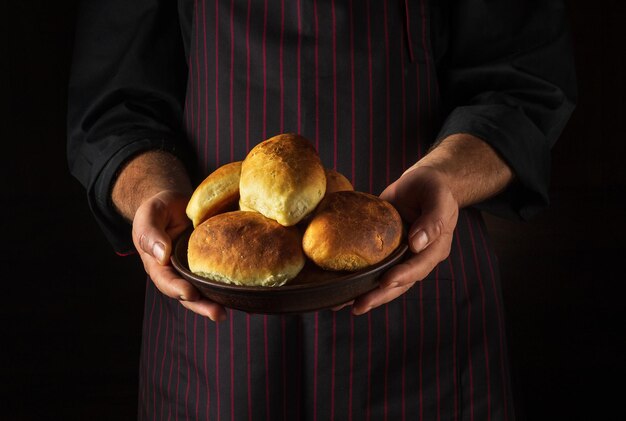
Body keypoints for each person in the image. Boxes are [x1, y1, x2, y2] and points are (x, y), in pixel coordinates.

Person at [68, 0, 576, 419]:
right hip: (211, 336)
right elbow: (115, 102)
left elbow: (522, 82)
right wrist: (151, 191)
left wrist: (446, 175)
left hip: (424, 320)